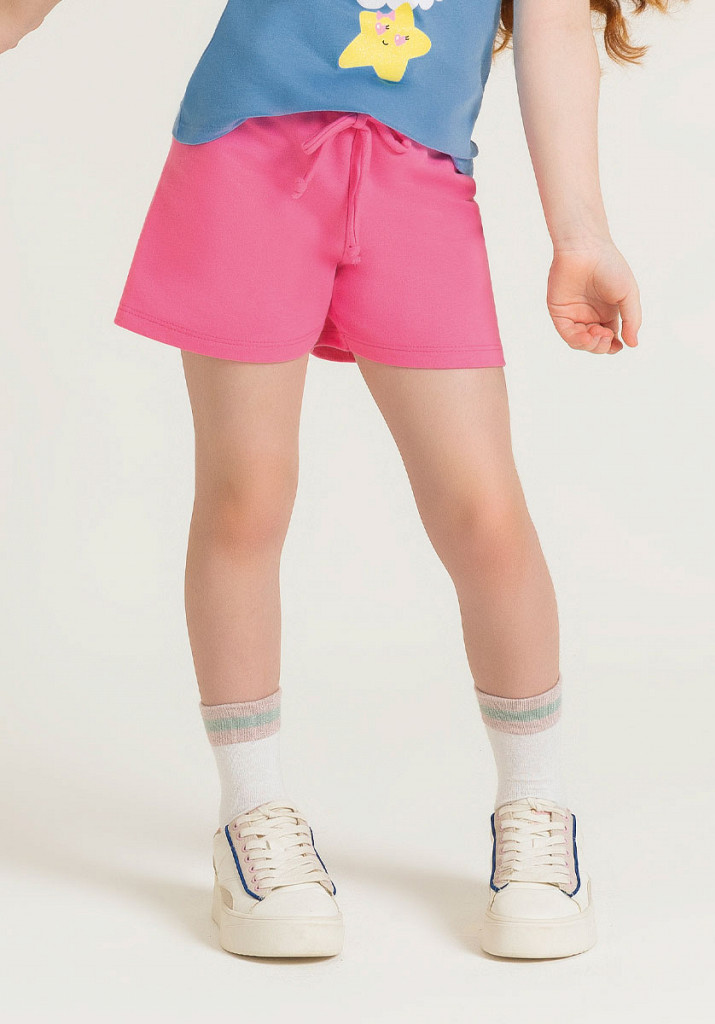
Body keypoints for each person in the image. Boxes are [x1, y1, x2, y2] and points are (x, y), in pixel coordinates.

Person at [2, 0, 680, 960]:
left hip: (418, 181)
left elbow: (557, 28)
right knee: (247, 496)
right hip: (245, 160)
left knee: (484, 512)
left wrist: (583, 232)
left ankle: (536, 809)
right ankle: (253, 816)